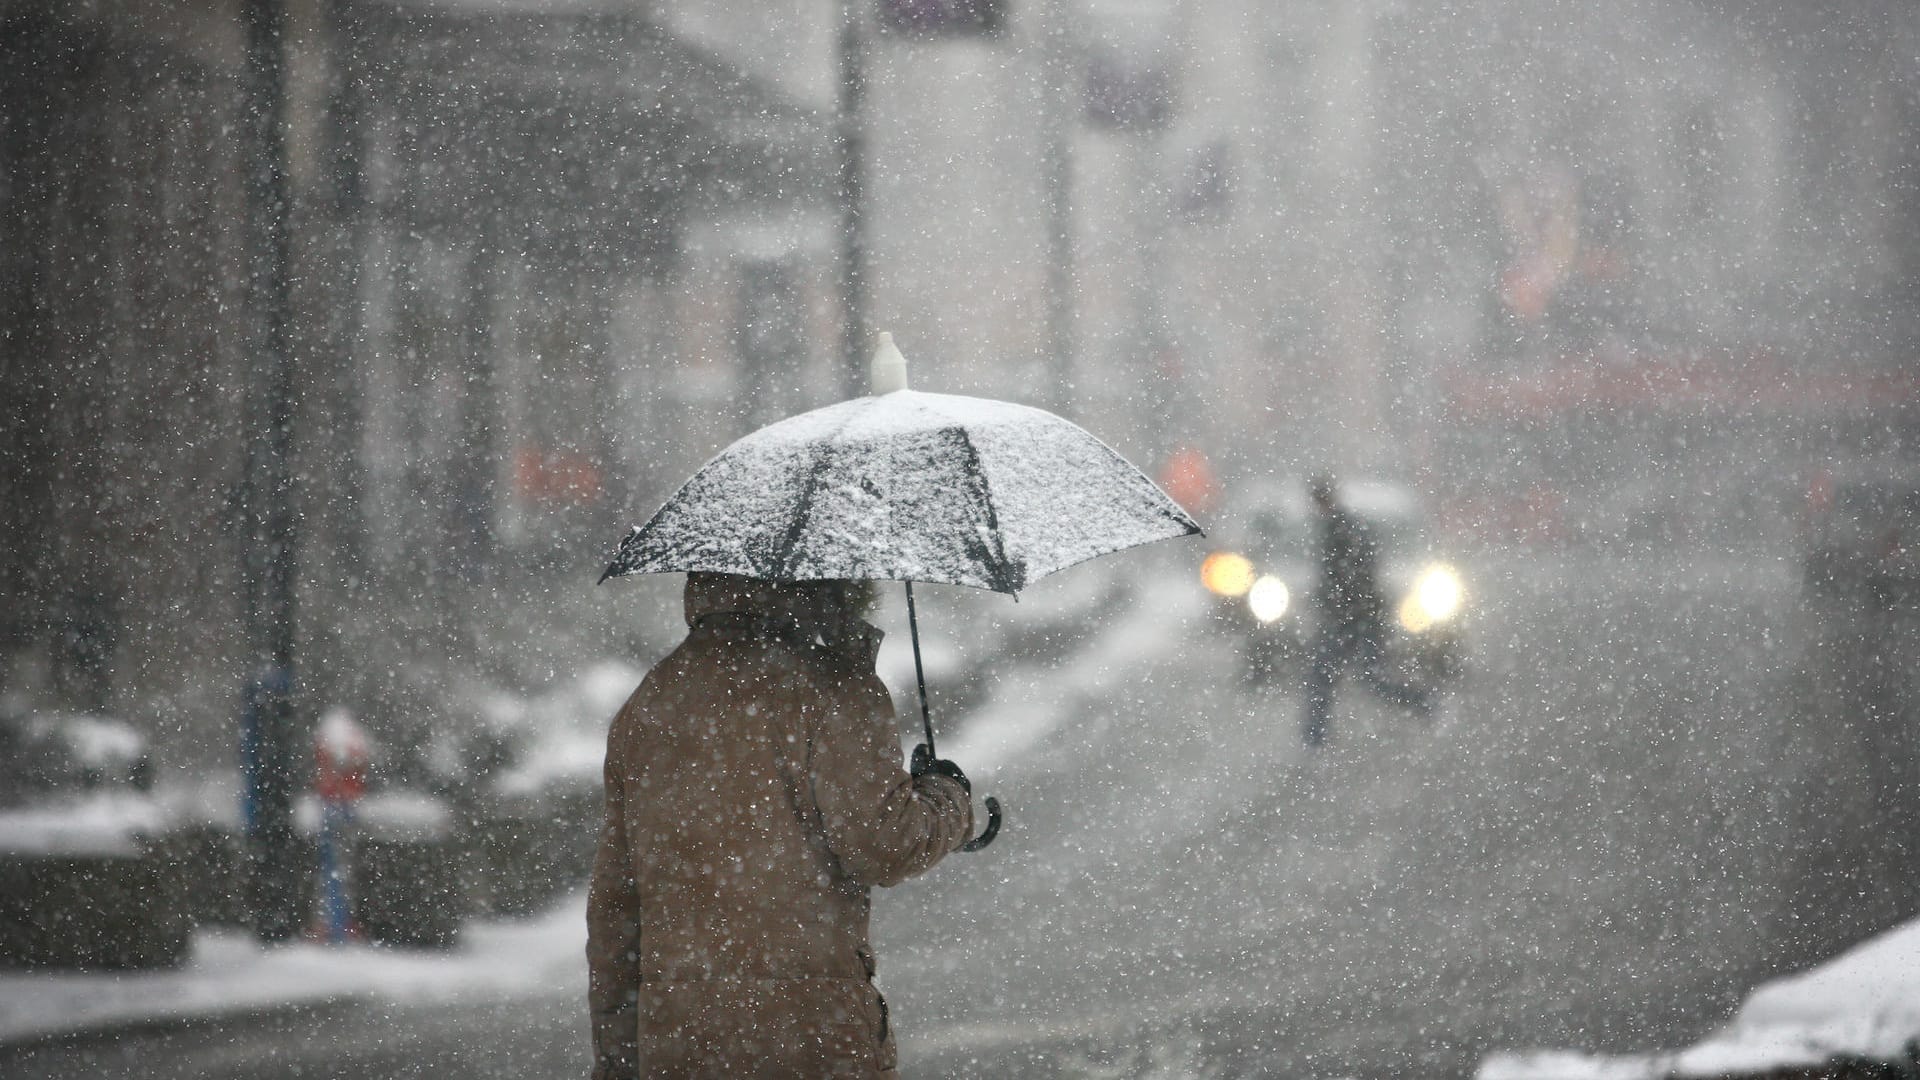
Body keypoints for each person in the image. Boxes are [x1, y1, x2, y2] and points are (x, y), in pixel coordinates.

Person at [587, 572, 975, 1079]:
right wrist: (949, 799)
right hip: (811, 1037)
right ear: (829, 580)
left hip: (680, 1043)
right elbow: (884, 844)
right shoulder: (833, 688)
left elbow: (616, 912)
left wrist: (617, 1061)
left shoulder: (648, 705)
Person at [1301, 475, 1430, 747]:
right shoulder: (1338, 528)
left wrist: (1343, 603)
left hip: (1355, 619)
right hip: (1354, 618)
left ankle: (1424, 702)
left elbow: (1355, 576)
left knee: (1354, 679)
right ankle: (1314, 738)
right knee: (1337, 678)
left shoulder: (1342, 530)